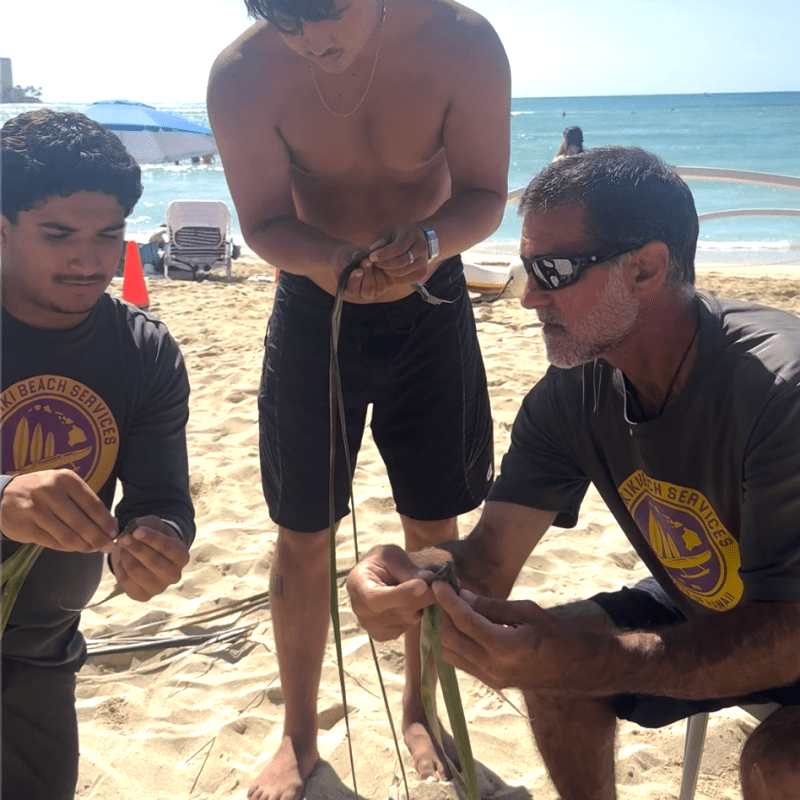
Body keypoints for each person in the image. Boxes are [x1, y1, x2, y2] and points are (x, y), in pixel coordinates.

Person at [346, 146, 800, 800]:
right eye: (526, 268)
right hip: (720, 604)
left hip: (786, 620)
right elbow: (487, 560)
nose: (529, 297)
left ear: (645, 268)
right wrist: (413, 575)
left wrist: (588, 655)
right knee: (554, 671)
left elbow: (785, 637)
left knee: (779, 762)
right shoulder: (573, 396)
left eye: (553, 270)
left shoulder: (778, 391)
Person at [207, 0, 509, 795]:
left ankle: (420, 709)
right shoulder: (244, 76)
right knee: (302, 532)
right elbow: (265, 219)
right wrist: (330, 256)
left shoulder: (462, 42)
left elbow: (482, 192)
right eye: (284, 20)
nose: (311, 41)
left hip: (432, 308)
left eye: (326, 14)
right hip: (313, 307)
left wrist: (432, 242)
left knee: (432, 528)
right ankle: (299, 736)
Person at [1, 109, 196, 800]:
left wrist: (158, 544)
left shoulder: (142, 351)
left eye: (108, 235)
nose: (89, 261)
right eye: (59, 236)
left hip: (40, 649)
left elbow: (163, 498)